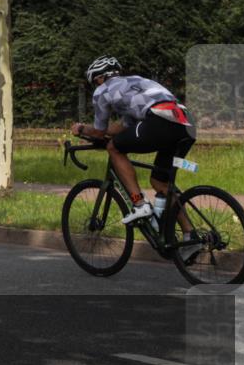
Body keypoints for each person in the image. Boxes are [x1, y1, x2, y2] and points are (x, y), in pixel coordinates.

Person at [71, 56, 199, 248]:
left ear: (98, 78)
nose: (95, 86)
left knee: (114, 147)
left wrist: (81, 129)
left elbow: (99, 131)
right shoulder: (136, 83)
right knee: (161, 182)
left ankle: (139, 204)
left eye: (94, 82)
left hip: (159, 121)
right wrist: (101, 132)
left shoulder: (102, 91)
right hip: (185, 123)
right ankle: (191, 236)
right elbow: (122, 128)